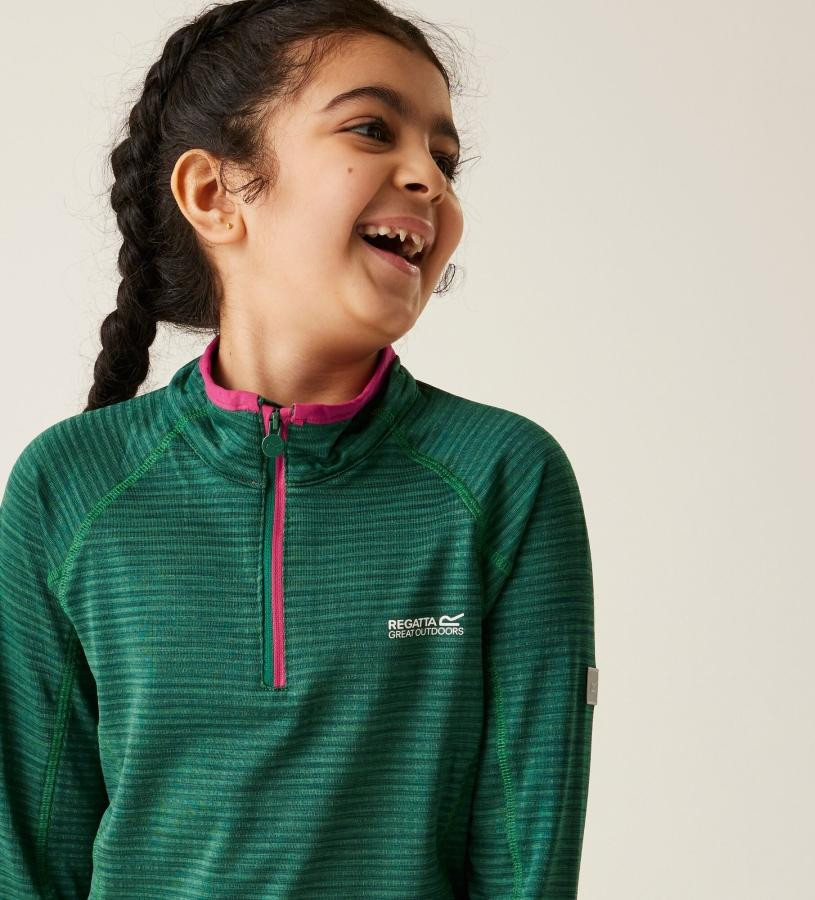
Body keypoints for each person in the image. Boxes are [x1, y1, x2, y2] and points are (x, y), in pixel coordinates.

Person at [0, 1, 596, 896]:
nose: (429, 180)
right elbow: (25, 863)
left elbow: (525, 867)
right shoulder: (70, 486)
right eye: (372, 129)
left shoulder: (502, 477)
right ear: (215, 195)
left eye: (444, 159)